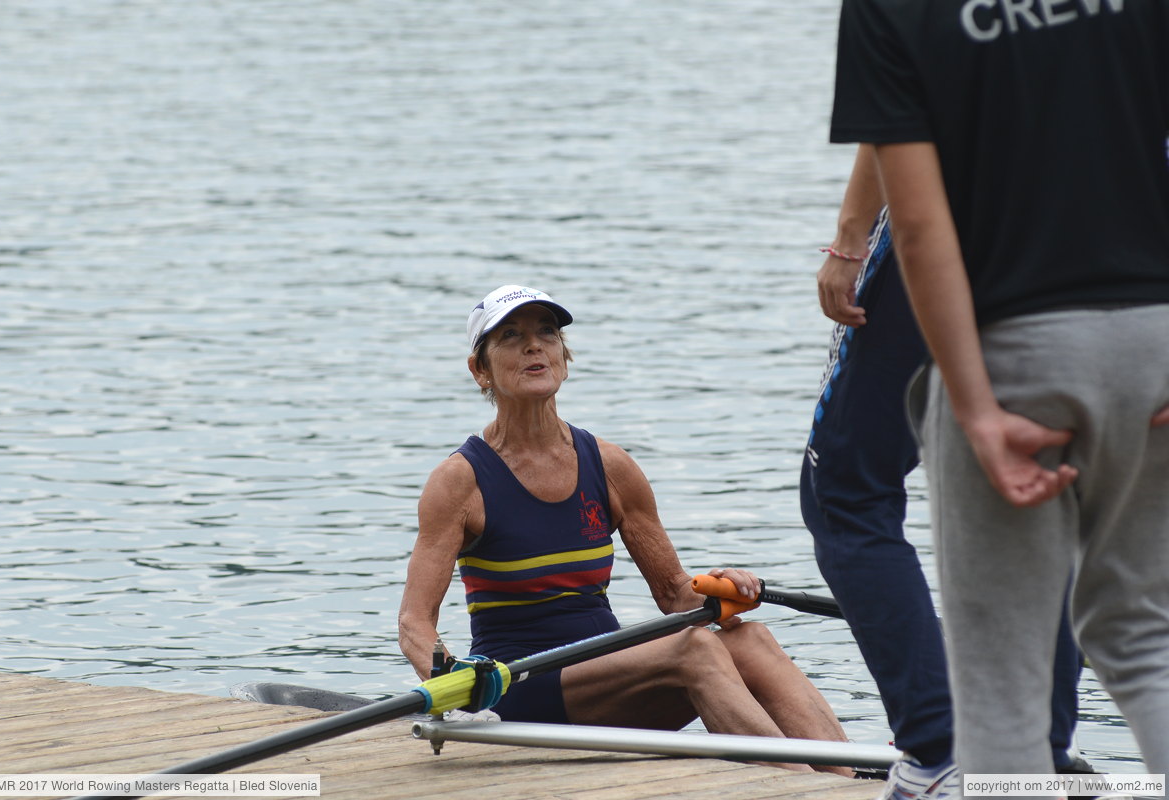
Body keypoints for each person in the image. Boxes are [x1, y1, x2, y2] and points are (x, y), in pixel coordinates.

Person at [831, 0, 1169, 793]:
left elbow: (917, 226)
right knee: (1147, 636)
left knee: (999, 681)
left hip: (1018, 346)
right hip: (1153, 341)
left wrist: (976, 405)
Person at [398, 284, 852, 775]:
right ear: (480, 369)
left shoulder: (610, 466)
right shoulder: (460, 481)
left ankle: (850, 779)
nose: (534, 346)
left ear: (563, 357)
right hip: (519, 685)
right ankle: (802, 786)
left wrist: (722, 588)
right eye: (510, 336)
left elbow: (676, 597)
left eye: (547, 333)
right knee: (696, 648)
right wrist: (451, 677)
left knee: (750, 637)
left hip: (614, 675)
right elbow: (413, 624)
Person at [801, 145, 1086, 799]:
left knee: (844, 491)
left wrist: (849, 240)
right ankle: (1035, 761)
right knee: (1033, 487)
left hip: (942, 201)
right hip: (1086, 229)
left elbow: (895, 98)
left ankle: (940, 753)